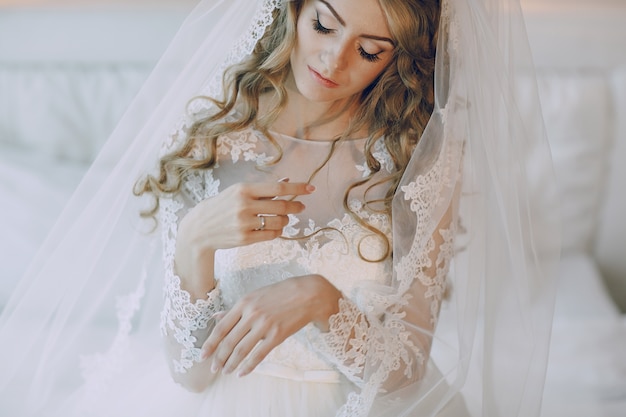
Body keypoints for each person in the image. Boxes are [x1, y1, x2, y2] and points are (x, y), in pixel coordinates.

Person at [0, 0, 560, 416]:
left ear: (399, 61)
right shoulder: (212, 138)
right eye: (323, 23)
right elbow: (188, 374)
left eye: (369, 50)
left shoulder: (417, 158)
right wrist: (196, 240)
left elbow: (405, 369)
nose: (333, 60)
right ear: (292, 8)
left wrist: (319, 299)